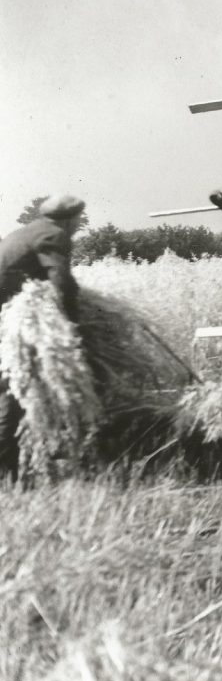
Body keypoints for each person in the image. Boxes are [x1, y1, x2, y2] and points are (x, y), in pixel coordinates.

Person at [0, 195, 86, 478]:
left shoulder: (25, 231)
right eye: (78, 221)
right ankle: (7, 474)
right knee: (14, 391)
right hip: (10, 320)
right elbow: (61, 279)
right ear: (72, 219)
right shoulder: (54, 234)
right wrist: (72, 325)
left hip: (7, 314)